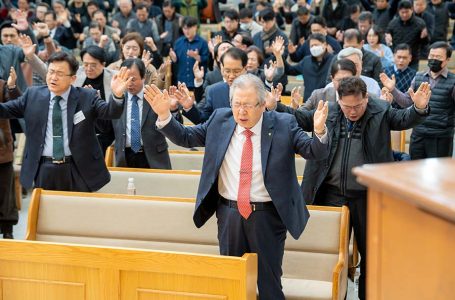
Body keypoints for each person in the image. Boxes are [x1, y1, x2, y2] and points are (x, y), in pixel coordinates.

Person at [144, 73, 330, 300]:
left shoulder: (283, 123)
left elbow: (314, 151)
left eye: (248, 105)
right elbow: (186, 137)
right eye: (237, 104)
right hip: (229, 213)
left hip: (267, 216)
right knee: (231, 282)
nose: (241, 112)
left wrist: (319, 131)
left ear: (262, 105)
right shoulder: (219, 120)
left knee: (268, 284)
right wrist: (164, 114)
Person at [267, 76, 431, 300]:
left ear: (366, 98)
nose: (352, 112)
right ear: (339, 100)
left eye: (358, 106)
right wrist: (276, 106)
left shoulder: (381, 110)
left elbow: (403, 119)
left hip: (369, 195)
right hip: (331, 193)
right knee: (331, 254)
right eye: (347, 107)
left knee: (371, 256)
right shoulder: (331, 110)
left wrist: (419, 108)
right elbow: (302, 118)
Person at [0, 51, 131, 192]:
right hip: (44, 167)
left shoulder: (87, 96)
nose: (53, 78)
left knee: (78, 212)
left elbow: (110, 112)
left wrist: (117, 95)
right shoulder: (33, 95)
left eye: (60, 74)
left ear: (73, 78)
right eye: (51, 72)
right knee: (46, 212)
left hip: (79, 168)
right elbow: (4, 110)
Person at [381, 42, 455, 159]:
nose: (434, 59)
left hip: (441, 137)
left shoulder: (453, 80)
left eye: (438, 57)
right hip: (418, 134)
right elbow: (407, 102)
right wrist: (393, 90)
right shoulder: (419, 76)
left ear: (447, 60)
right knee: (415, 170)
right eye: (431, 56)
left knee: (439, 174)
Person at [107, 58, 171, 169]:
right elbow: (106, 128)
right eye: (126, 79)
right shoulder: (117, 98)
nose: (129, 83)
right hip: (125, 156)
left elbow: (173, 125)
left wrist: (173, 110)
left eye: (133, 79)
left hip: (153, 157)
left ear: (143, 78)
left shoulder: (156, 96)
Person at [74, 46, 117, 155]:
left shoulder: (114, 77)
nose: (88, 68)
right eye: (85, 64)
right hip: (79, 131)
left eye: (93, 65)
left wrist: (96, 100)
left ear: (103, 64)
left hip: (106, 133)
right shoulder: (75, 74)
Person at [0, 67, 20, 239]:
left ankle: (8, 230)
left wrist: (11, 86)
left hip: (2, 150)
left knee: (5, 192)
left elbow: (15, 104)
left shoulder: (2, 85)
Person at [170, 16, 209, 89]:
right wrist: (174, 59)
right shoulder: (178, 42)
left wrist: (196, 57)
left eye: (189, 28)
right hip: (181, 81)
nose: (186, 31)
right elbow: (175, 63)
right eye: (184, 28)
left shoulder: (203, 42)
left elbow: (207, 61)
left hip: (197, 81)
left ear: (195, 27)